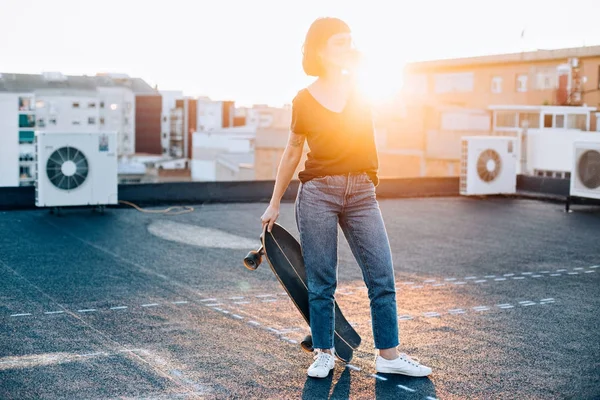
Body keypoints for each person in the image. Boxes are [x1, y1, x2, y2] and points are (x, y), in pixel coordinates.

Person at [260, 17, 432, 379]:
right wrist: (274, 202)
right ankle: (324, 351)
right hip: (318, 193)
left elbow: (398, 111)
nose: (349, 47)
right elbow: (292, 152)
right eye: (341, 42)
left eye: (351, 41)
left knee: (381, 277)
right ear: (322, 49)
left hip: (362, 194)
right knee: (322, 281)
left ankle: (389, 354)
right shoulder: (303, 99)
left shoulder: (364, 87)